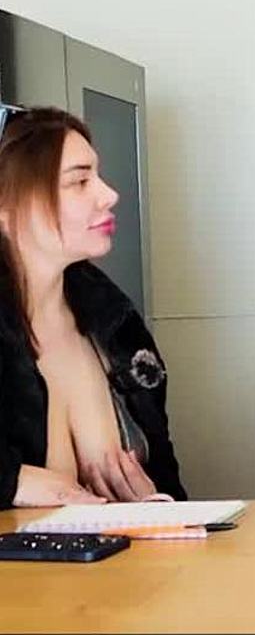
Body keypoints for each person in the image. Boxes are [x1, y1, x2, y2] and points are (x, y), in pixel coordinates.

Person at [0, 105, 186, 508]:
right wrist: (10, 481)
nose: (109, 195)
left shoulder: (118, 327)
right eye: (79, 181)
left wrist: (154, 508)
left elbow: (175, 493)